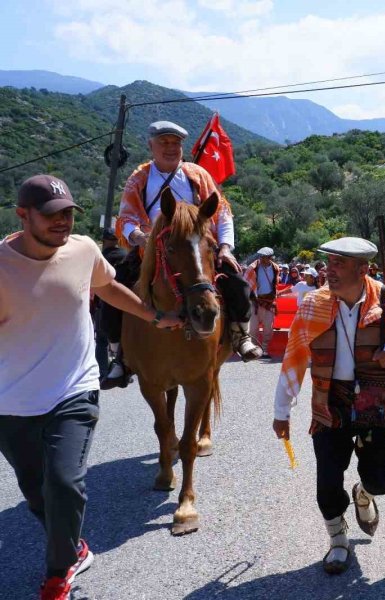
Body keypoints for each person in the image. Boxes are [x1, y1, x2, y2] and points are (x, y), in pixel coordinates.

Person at [0, 175, 181, 600]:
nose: (62, 222)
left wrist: (155, 316)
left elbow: (108, 287)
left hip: (74, 388)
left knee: (64, 482)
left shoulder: (83, 249)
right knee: (36, 490)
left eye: (67, 213)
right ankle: (72, 544)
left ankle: (59, 572)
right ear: (22, 215)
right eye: (51, 216)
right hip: (11, 400)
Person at [272, 237, 385, 575]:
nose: (328, 270)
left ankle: (364, 493)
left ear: (362, 269)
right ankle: (337, 541)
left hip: (375, 405)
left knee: (383, 480)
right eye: (328, 263)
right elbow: (294, 357)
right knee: (328, 479)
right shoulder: (313, 305)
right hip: (329, 403)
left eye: (338, 264)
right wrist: (282, 411)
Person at [105, 120, 261, 389]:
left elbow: (221, 211)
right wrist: (138, 237)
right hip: (153, 248)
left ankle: (239, 334)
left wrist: (225, 247)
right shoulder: (139, 178)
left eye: (175, 143)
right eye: (164, 142)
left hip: (195, 245)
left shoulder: (197, 174)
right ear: (151, 145)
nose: (170, 148)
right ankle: (119, 354)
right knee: (114, 287)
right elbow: (127, 217)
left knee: (237, 280)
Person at [94, 228, 127, 378]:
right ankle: (123, 368)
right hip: (124, 304)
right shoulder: (125, 256)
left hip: (104, 304)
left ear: (105, 240)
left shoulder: (100, 258)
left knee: (101, 341)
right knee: (123, 339)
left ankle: (103, 372)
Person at [246, 247, 280, 359]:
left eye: (264, 257)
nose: (261, 258)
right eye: (261, 256)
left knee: (268, 328)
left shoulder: (276, 268)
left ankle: (264, 349)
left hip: (269, 301)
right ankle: (255, 350)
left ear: (270, 258)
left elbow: (275, 285)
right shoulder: (253, 268)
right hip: (255, 301)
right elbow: (246, 282)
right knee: (253, 328)